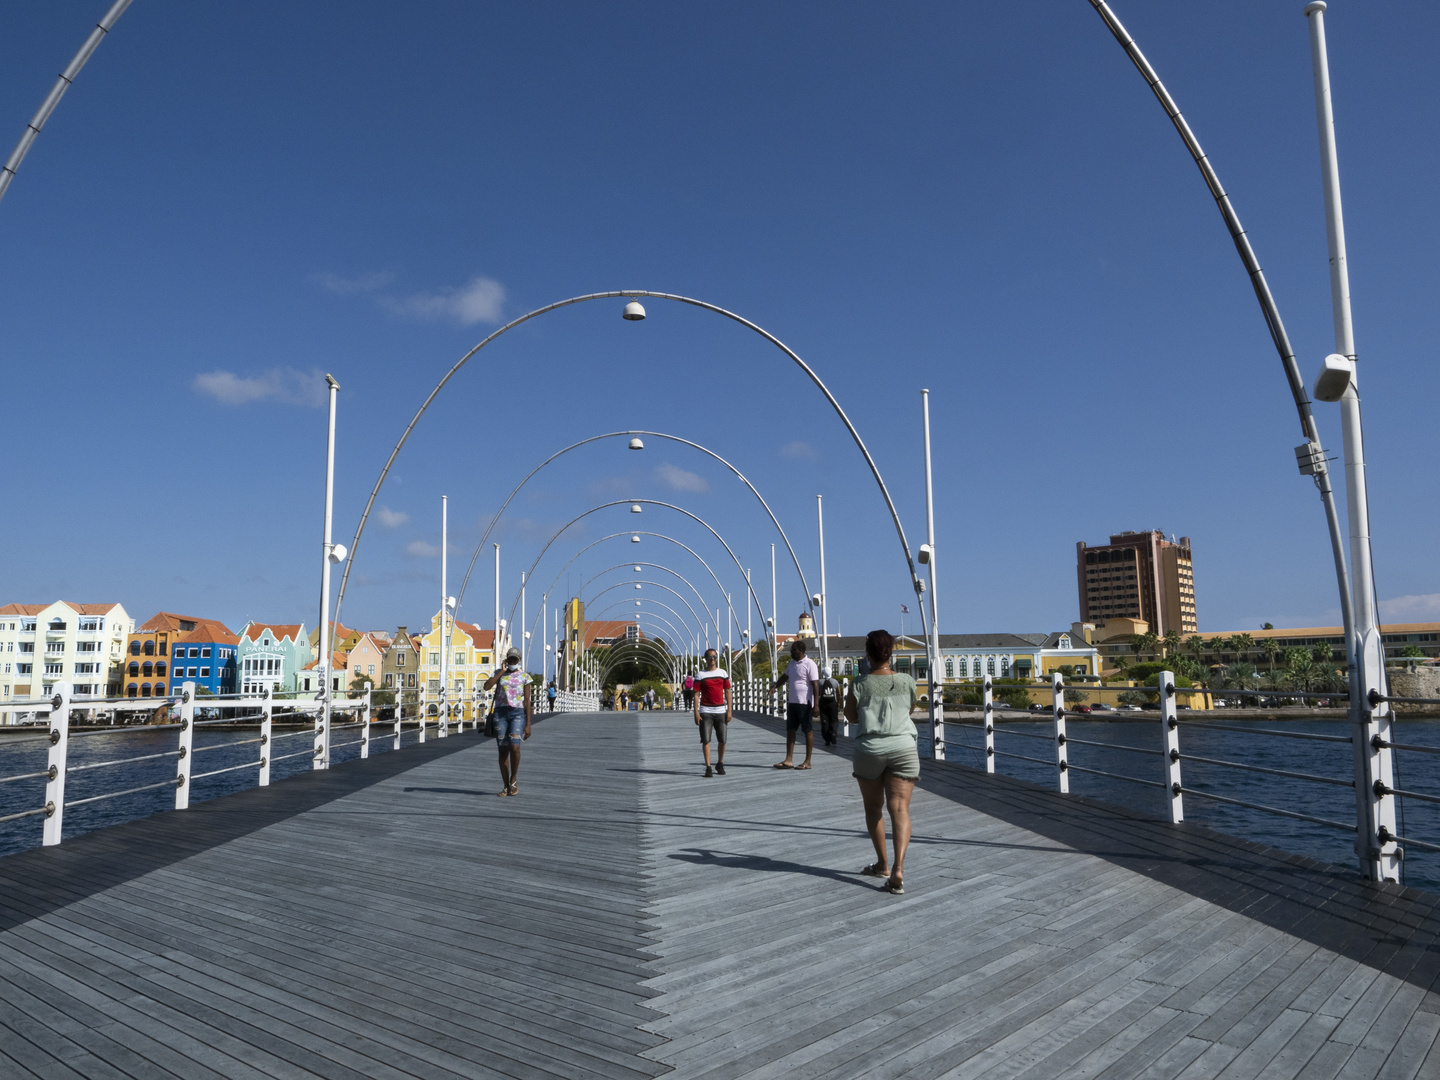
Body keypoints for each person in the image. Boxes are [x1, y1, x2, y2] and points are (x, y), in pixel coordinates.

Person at [844, 629, 917, 895]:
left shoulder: (859, 683)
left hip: (870, 750)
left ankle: (883, 864)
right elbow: (909, 710)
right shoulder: (907, 680)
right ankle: (899, 867)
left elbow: (851, 716)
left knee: (874, 808)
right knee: (900, 810)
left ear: (867, 654)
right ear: (891, 653)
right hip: (904, 748)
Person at [483, 646, 532, 797]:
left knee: (515, 747)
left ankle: (513, 779)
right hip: (500, 714)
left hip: (517, 713)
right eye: (510, 659)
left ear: (519, 660)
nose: (512, 661)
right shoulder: (499, 673)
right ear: (506, 660)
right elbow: (486, 687)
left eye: (515, 659)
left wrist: (528, 723)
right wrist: (502, 671)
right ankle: (505, 786)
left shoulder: (525, 676)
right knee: (503, 750)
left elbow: (527, 701)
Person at [772, 639, 819, 769]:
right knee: (790, 730)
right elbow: (784, 677)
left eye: (794, 650)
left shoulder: (810, 664)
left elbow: (815, 685)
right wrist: (775, 686)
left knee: (807, 731)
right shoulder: (792, 663)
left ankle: (808, 761)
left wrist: (816, 705)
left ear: (801, 651)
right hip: (793, 702)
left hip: (805, 703)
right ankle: (788, 760)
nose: (792, 652)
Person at [693, 648, 731, 777]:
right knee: (706, 740)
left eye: (715, 656)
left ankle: (720, 763)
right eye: (710, 656)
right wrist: (696, 713)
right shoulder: (700, 675)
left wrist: (730, 710)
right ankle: (708, 766)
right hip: (706, 711)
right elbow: (696, 695)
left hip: (721, 710)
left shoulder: (723, 673)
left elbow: (727, 692)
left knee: (723, 740)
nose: (713, 659)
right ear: (706, 659)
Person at [818, 667, 842, 746]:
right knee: (834, 719)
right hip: (833, 703)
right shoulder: (835, 682)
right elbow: (839, 693)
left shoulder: (820, 682)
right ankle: (833, 733)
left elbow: (817, 692)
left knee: (824, 720)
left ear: (823, 673)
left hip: (823, 703)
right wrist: (838, 702)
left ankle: (827, 739)